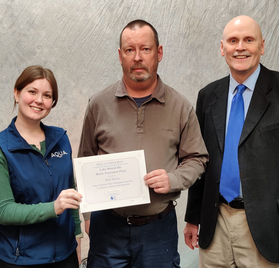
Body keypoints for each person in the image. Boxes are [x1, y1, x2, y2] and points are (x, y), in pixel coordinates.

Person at [184, 15, 279, 267]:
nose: (240, 47)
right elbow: (201, 161)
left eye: (249, 39)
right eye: (233, 40)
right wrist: (193, 218)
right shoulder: (208, 95)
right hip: (216, 223)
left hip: (268, 228)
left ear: (262, 46)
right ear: (222, 47)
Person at [78, 19, 209, 267]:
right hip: (108, 228)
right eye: (130, 50)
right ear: (120, 56)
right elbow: (85, 161)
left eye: (145, 49)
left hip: (158, 230)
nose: (137, 57)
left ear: (159, 53)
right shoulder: (98, 104)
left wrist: (173, 179)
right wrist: (87, 214)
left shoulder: (180, 107)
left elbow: (197, 158)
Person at [0, 65, 83, 268]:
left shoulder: (61, 139)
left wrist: (77, 238)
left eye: (47, 95)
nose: (39, 100)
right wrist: (54, 207)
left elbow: (71, 193)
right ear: (17, 93)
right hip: (19, 260)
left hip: (65, 255)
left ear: (52, 103)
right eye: (32, 92)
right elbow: (3, 211)